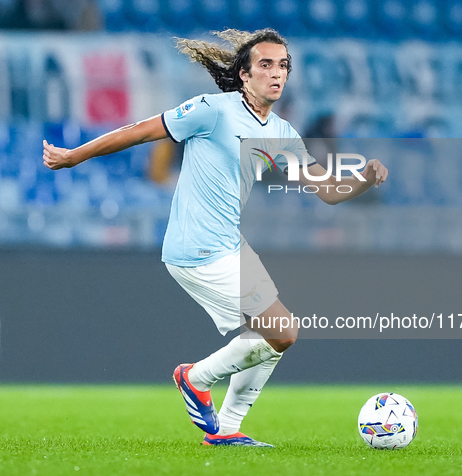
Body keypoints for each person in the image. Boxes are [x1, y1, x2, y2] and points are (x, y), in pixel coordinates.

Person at [42, 28, 388, 447]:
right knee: (283, 331)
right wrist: (74, 156)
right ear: (244, 74)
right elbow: (139, 130)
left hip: (230, 245)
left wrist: (364, 180)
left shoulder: (280, 134)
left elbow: (328, 191)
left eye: (283, 66)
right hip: (196, 248)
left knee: (269, 339)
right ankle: (195, 377)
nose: (276, 74)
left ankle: (225, 430)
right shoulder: (211, 110)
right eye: (265, 65)